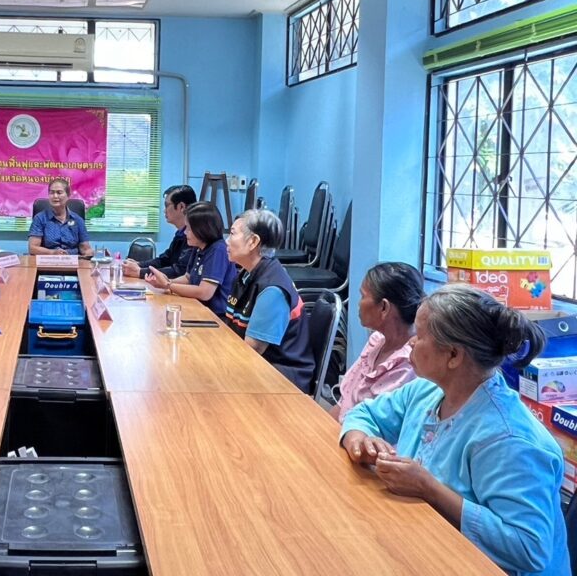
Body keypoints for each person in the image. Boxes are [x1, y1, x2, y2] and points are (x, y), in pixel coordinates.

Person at [341, 284, 568, 575]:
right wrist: (359, 438)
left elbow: (528, 549)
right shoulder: (428, 390)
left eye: (420, 335)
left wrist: (430, 490)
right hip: (429, 547)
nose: (410, 342)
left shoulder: (509, 439)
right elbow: (365, 413)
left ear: (453, 355)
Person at [223, 209, 312, 392]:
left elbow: (251, 352)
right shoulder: (246, 274)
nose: (226, 241)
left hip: (280, 378)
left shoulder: (273, 290)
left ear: (253, 242)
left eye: (232, 233)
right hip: (254, 368)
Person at [330, 262, 424, 422]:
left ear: (384, 308)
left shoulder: (409, 364)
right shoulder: (377, 341)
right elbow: (344, 403)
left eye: (363, 296)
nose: (359, 303)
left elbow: (372, 425)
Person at [145, 201, 235, 319]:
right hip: (198, 308)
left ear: (202, 229)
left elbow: (205, 292)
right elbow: (188, 278)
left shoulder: (218, 250)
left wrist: (168, 285)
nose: (185, 232)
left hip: (217, 317)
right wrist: (165, 282)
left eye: (188, 228)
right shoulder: (198, 247)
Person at [123, 184, 196, 278]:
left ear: (181, 207)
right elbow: (165, 260)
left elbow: (180, 271)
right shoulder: (180, 233)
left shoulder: (195, 235)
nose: (164, 211)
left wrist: (140, 272)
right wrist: (139, 265)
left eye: (167, 205)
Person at [28, 178, 94, 257]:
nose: (55, 196)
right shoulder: (40, 218)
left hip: (72, 261)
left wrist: (90, 253)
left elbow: (85, 248)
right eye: (52, 193)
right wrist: (53, 253)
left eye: (59, 192)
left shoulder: (77, 220)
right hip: (48, 261)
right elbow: (33, 248)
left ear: (68, 195)